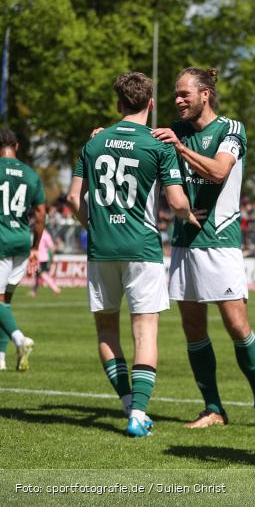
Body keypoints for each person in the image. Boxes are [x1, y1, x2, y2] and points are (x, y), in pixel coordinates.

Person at [151, 67, 255, 432]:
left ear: (205, 94)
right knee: (193, 329)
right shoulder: (173, 131)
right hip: (183, 241)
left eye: (184, 94)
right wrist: (108, 135)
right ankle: (213, 408)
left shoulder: (231, 129)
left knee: (237, 326)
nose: (177, 100)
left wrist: (178, 148)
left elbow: (218, 172)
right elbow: (137, 144)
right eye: (175, 95)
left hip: (220, 242)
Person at [68, 72, 200, 437]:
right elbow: (175, 202)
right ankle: (139, 414)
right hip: (142, 247)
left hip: (101, 247)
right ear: (151, 104)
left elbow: (71, 199)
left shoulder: (93, 143)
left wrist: (92, 225)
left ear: (117, 104)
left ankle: (127, 403)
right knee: (145, 332)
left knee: (107, 329)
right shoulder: (157, 144)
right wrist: (189, 214)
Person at [0, 129, 44, 371]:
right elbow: (40, 213)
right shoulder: (30, 174)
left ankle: (20, 340)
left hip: (1, 241)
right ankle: (0, 358)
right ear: (16, 146)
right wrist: (36, 247)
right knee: (4, 302)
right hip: (21, 240)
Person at [30, 229, 60, 296]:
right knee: (37, 275)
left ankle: (55, 288)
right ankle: (34, 292)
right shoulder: (40, 234)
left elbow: (52, 247)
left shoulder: (45, 235)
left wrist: (52, 257)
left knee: (42, 274)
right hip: (38, 257)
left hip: (41, 258)